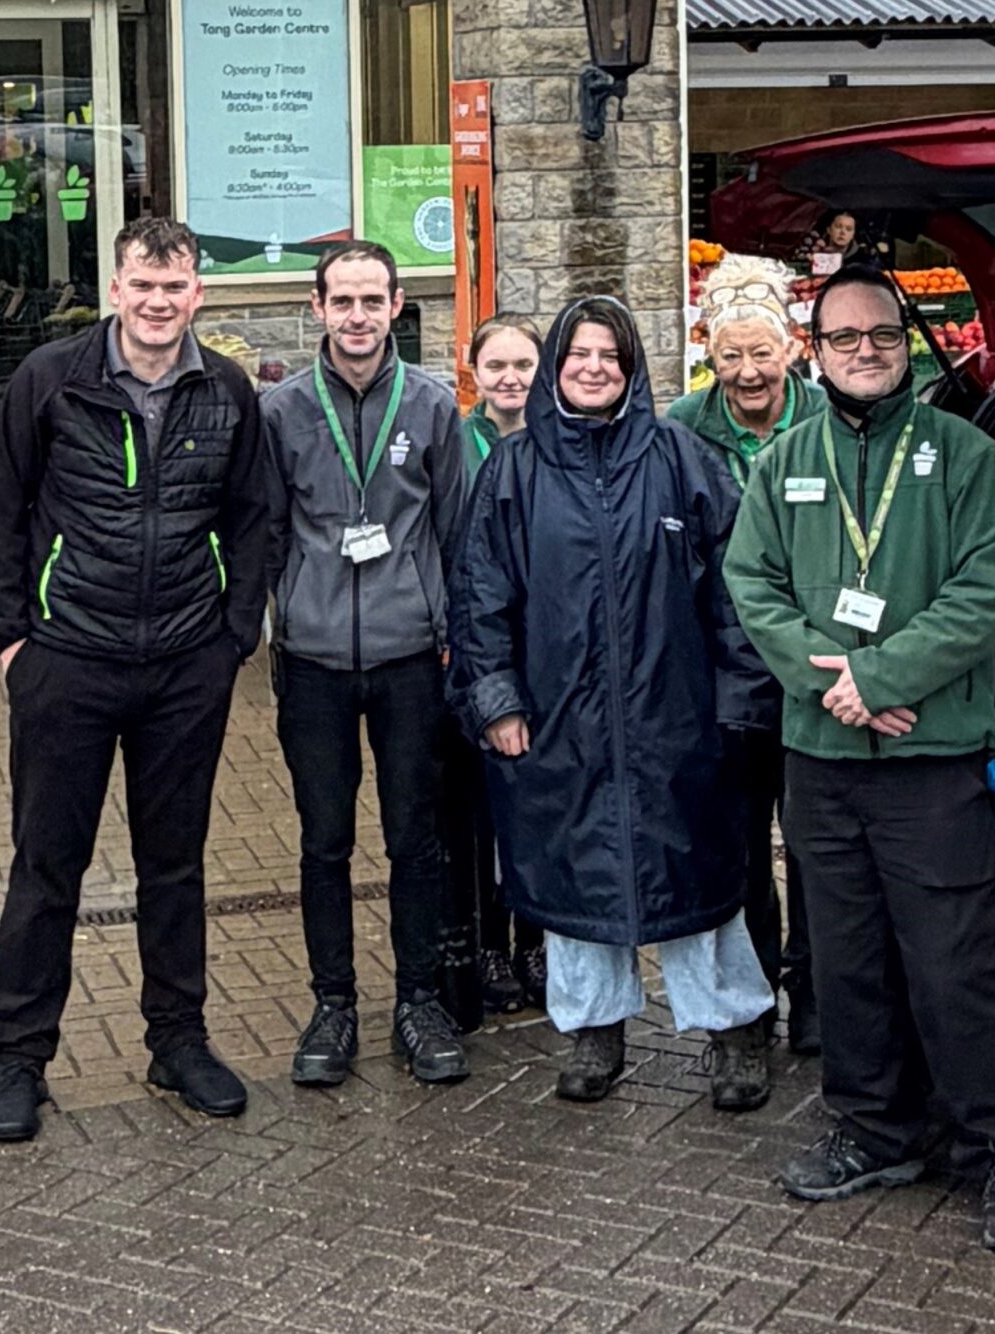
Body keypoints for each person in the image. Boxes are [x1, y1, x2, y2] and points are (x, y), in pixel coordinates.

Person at [723, 264, 995, 1253]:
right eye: (841, 337)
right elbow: (752, 581)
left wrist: (884, 672)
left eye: (879, 333)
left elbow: (986, 590)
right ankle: (871, 1128)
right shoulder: (784, 459)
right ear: (810, 351)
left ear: (905, 340)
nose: (862, 350)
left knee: (959, 962)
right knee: (845, 955)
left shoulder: (962, 455)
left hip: (930, 751)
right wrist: (836, 684)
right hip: (819, 752)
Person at [0, 216, 271, 1141]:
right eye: (143, 283)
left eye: (175, 286)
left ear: (197, 296)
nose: (157, 301)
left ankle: (178, 1040)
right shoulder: (50, 381)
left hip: (185, 666)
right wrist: (13, 645)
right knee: (46, 867)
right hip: (68, 662)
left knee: (173, 868)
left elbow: (255, 518)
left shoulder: (226, 391)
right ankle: (21, 1059)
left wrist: (232, 640)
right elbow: (1, 512)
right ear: (115, 288)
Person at [448, 295, 780, 1109]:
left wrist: (738, 702)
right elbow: (480, 597)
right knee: (575, 886)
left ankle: (735, 1032)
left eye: (610, 355)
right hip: (562, 723)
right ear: (556, 368)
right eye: (578, 355)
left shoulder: (679, 458)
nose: (593, 367)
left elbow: (737, 591)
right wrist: (497, 701)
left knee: (699, 885)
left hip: (677, 722)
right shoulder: (513, 471)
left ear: (631, 369)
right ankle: (593, 1034)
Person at [263, 240, 471, 1087]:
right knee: (324, 842)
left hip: (410, 659)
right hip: (312, 662)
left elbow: (458, 535)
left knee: (415, 839)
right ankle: (333, 1004)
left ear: (396, 308)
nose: (357, 317)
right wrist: (285, 615)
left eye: (372, 301)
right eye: (341, 301)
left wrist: (455, 633)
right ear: (318, 308)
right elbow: (267, 530)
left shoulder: (430, 406)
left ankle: (418, 1002)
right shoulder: (280, 411)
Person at [668, 262, 829, 1053]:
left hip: (819, 670)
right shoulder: (682, 428)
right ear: (709, 354)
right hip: (721, 678)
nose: (747, 373)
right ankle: (750, 1007)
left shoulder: (832, 420)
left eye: (761, 353)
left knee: (818, 846)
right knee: (736, 850)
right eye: (730, 356)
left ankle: (822, 1004)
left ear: (794, 349)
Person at [449, 313, 546, 1015]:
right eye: (497, 367)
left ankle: (536, 940)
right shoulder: (455, 443)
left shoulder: (560, 445)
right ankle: (488, 946)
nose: (510, 379)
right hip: (478, 648)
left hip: (547, 652)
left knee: (541, 805)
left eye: (524, 366)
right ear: (472, 370)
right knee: (479, 809)